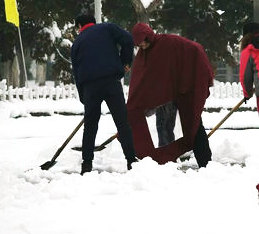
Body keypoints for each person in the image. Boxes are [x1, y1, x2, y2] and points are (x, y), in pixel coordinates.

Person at [127, 23, 213, 168]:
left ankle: (206, 163)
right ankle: (165, 163)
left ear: (148, 36)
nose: (142, 46)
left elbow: (195, 49)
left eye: (143, 41)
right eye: (138, 44)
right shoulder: (144, 54)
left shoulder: (169, 42)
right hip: (163, 99)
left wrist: (187, 82)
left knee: (194, 126)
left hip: (183, 94)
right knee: (164, 131)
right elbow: (142, 79)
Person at [70, 14, 137, 175]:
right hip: (111, 82)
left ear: (79, 26)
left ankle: (86, 164)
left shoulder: (77, 43)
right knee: (122, 123)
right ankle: (131, 160)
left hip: (90, 87)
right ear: (93, 22)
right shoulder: (107, 28)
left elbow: (77, 73)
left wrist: (83, 97)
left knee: (90, 126)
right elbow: (128, 39)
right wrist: (125, 62)